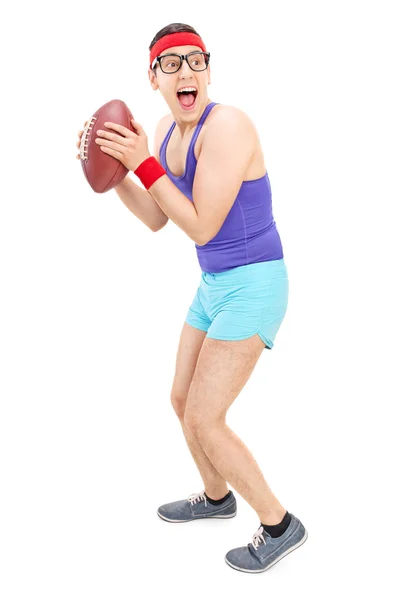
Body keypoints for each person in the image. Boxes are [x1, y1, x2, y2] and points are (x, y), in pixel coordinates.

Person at [75, 22, 307, 574]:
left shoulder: (227, 126)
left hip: (254, 283)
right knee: (182, 399)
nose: (187, 72)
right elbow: (159, 217)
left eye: (196, 61)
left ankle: (279, 523)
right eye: (172, 63)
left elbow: (201, 227)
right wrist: (112, 173)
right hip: (214, 285)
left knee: (207, 417)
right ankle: (217, 496)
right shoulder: (166, 130)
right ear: (152, 77)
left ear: (208, 69)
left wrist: (141, 162)